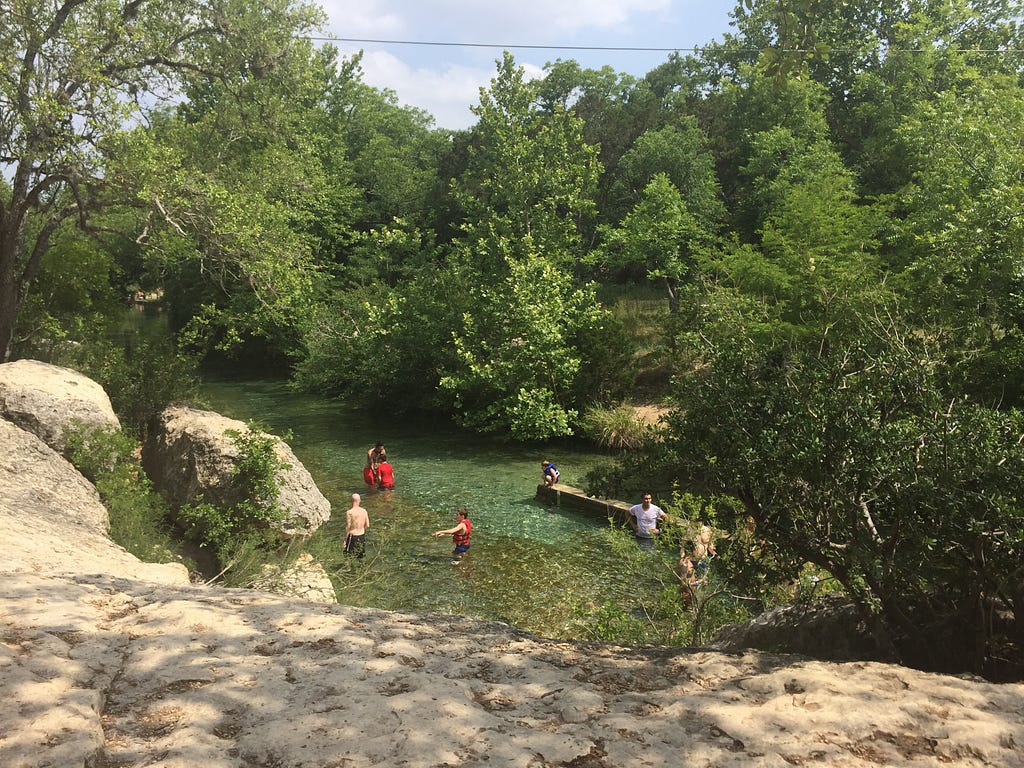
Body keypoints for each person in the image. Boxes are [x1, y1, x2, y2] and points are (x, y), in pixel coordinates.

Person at [344, 493, 370, 559]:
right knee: (361, 557)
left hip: (352, 537)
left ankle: (348, 568)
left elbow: (348, 527)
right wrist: (360, 529)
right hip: (362, 536)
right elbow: (367, 525)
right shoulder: (364, 511)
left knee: (347, 555)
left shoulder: (349, 512)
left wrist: (345, 540)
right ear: (359, 501)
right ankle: (362, 569)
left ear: (351, 501)